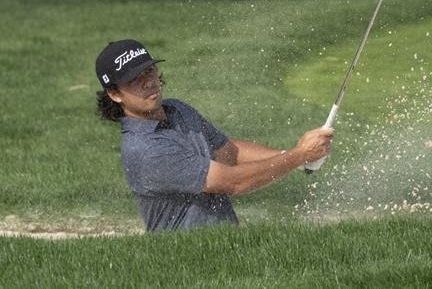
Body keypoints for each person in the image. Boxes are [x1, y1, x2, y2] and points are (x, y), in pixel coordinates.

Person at [94, 39, 333, 232]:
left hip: (223, 245)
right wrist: (299, 155)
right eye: (135, 80)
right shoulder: (146, 149)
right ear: (115, 94)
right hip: (186, 260)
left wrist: (299, 159)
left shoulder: (177, 110)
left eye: (149, 71)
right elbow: (233, 182)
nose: (148, 82)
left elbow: (229, 152)